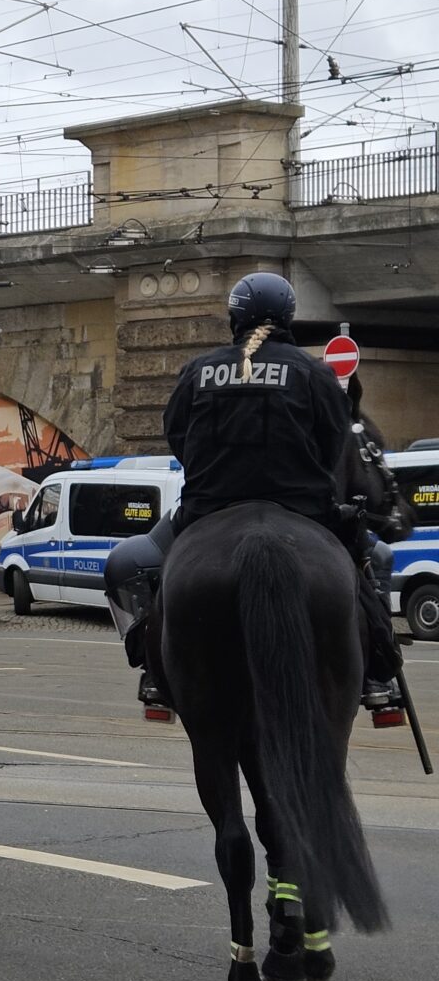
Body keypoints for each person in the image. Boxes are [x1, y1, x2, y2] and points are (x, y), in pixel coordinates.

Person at [105, 272, 402, 711]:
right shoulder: (314, 373)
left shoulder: (197, 371)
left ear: (234, 318)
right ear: (289, 317)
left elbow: (178, 438)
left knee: (124, 564)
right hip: (306, 511)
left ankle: (153, 668)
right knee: (378, 561)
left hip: (207, 510)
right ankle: (378, 675)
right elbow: (333, 444)